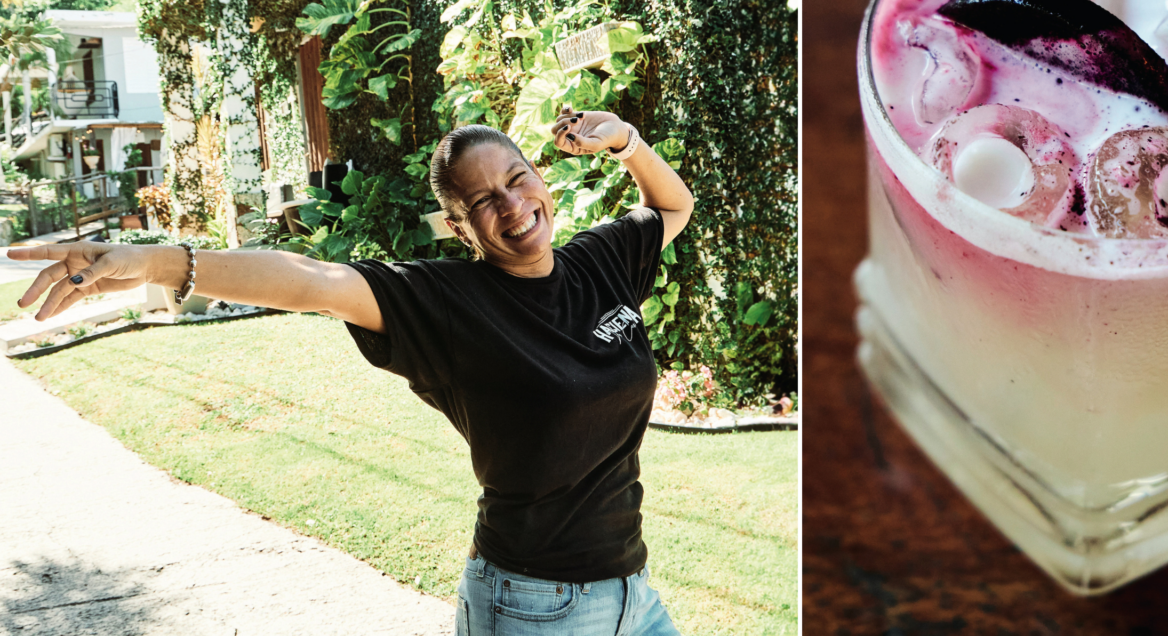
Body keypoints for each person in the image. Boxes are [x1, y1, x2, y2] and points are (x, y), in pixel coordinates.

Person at [11, 108, 692, 636]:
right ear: (459, 227)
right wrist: (157, 261)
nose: (512, 205)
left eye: (517, 180)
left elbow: (671, 207)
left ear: (539, 179)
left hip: (633, 590)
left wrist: (626, 141)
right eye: (483, 201)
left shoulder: (600, 261)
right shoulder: (450, 304)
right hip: (537, 605)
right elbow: (313, 279)